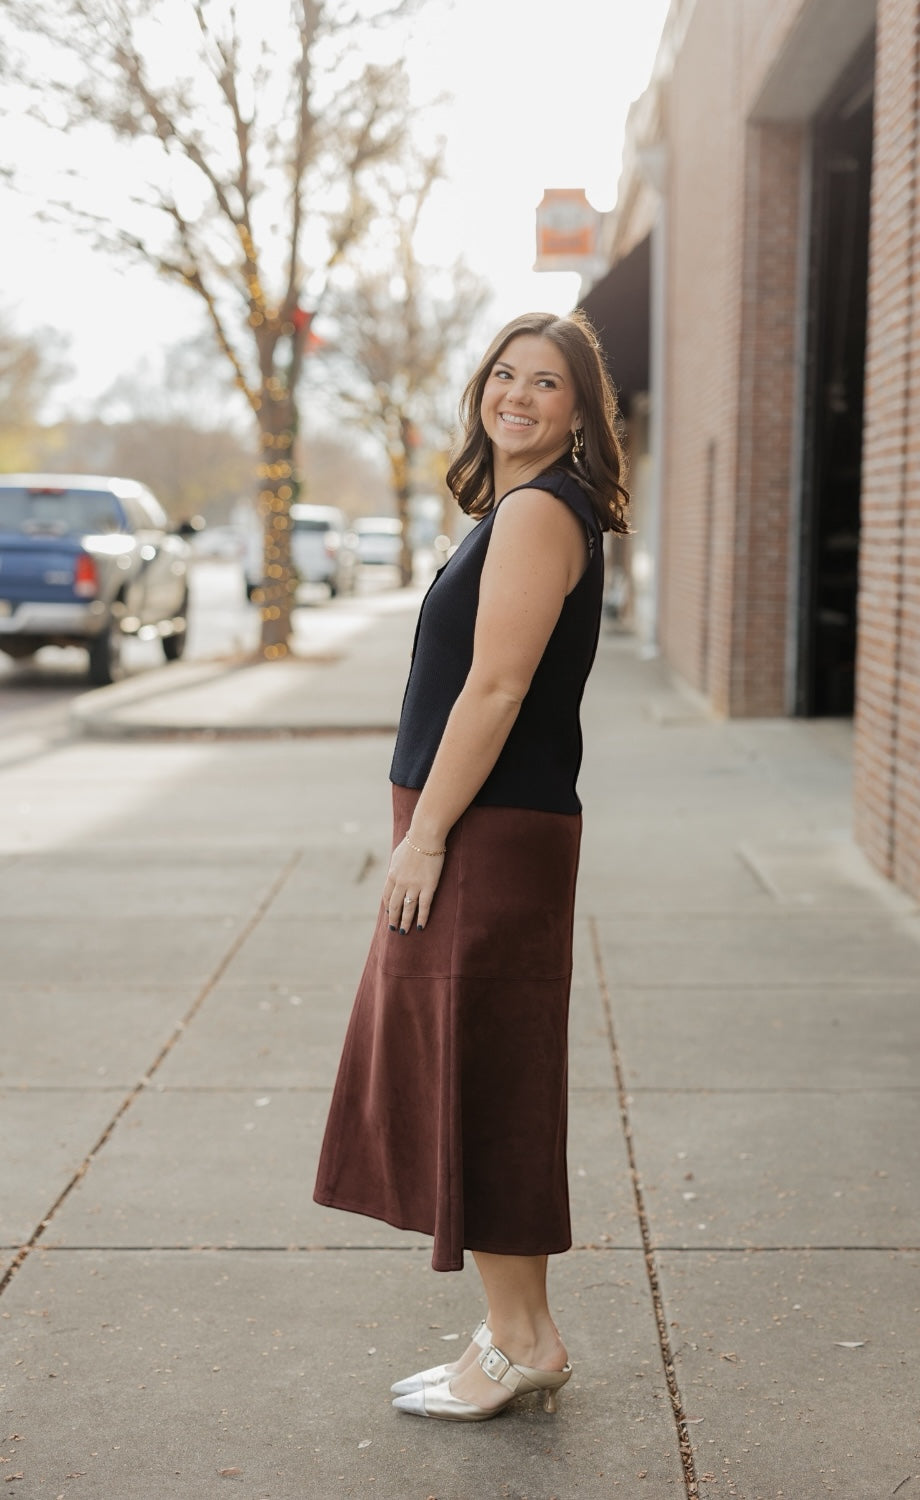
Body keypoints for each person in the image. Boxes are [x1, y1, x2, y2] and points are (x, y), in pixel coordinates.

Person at [313, 309, 630, 1422]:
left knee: (483, 1076)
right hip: (484, 820)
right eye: (505, 374)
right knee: (484, 1070)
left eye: (548, 383)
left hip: (487, 830)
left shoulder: (542, 515)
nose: (520, 396)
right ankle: (521, 1333)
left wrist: (427, 834)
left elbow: (492, 691)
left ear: (581, 411)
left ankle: (517, 1340)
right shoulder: (513, 510)